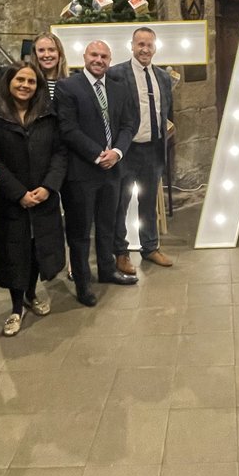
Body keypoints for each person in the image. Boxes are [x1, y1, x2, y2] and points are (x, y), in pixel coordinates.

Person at [0, 64, 67, 336]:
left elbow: (60, 153)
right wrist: (18, 193)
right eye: (20, 80)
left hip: (43, 196)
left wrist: (48, 186)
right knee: (15, 251)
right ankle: (16, 306)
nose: (25, 85)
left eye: (31, 81)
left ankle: (31, 293)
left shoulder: (49, 115)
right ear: (9, 82)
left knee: (38, 246)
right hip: (10, 199)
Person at [55, 39, 139, 306]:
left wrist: (117, 153)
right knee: (80, 231)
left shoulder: (119, 88)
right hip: (81, 173)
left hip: (113, 170)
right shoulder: (68, 87)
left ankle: (107, 270)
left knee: (107, 225)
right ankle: (83, 283)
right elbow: (67, 129)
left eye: (104, 56)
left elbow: (128, 125)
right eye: (94, 54)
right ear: (84, 56)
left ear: (110, 60)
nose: (99, 60)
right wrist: (97, 154)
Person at [110, 26, 175, 273]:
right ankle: (121, 252)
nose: (144, 49)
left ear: (155, 48)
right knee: (122, 203)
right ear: (132, 46)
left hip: (153, 150)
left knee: (147, 202)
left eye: (149, 45)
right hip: (126, 151)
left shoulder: (163, 77)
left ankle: (150, 248)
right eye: (140, 44)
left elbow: (168, 110)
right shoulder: (116, 74)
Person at [31, 32, 69, 100]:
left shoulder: (72, 83)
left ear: (59, 53)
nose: (47, 55)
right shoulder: (30, 83)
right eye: (41, 50)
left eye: (51, 50)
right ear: (35, 54)